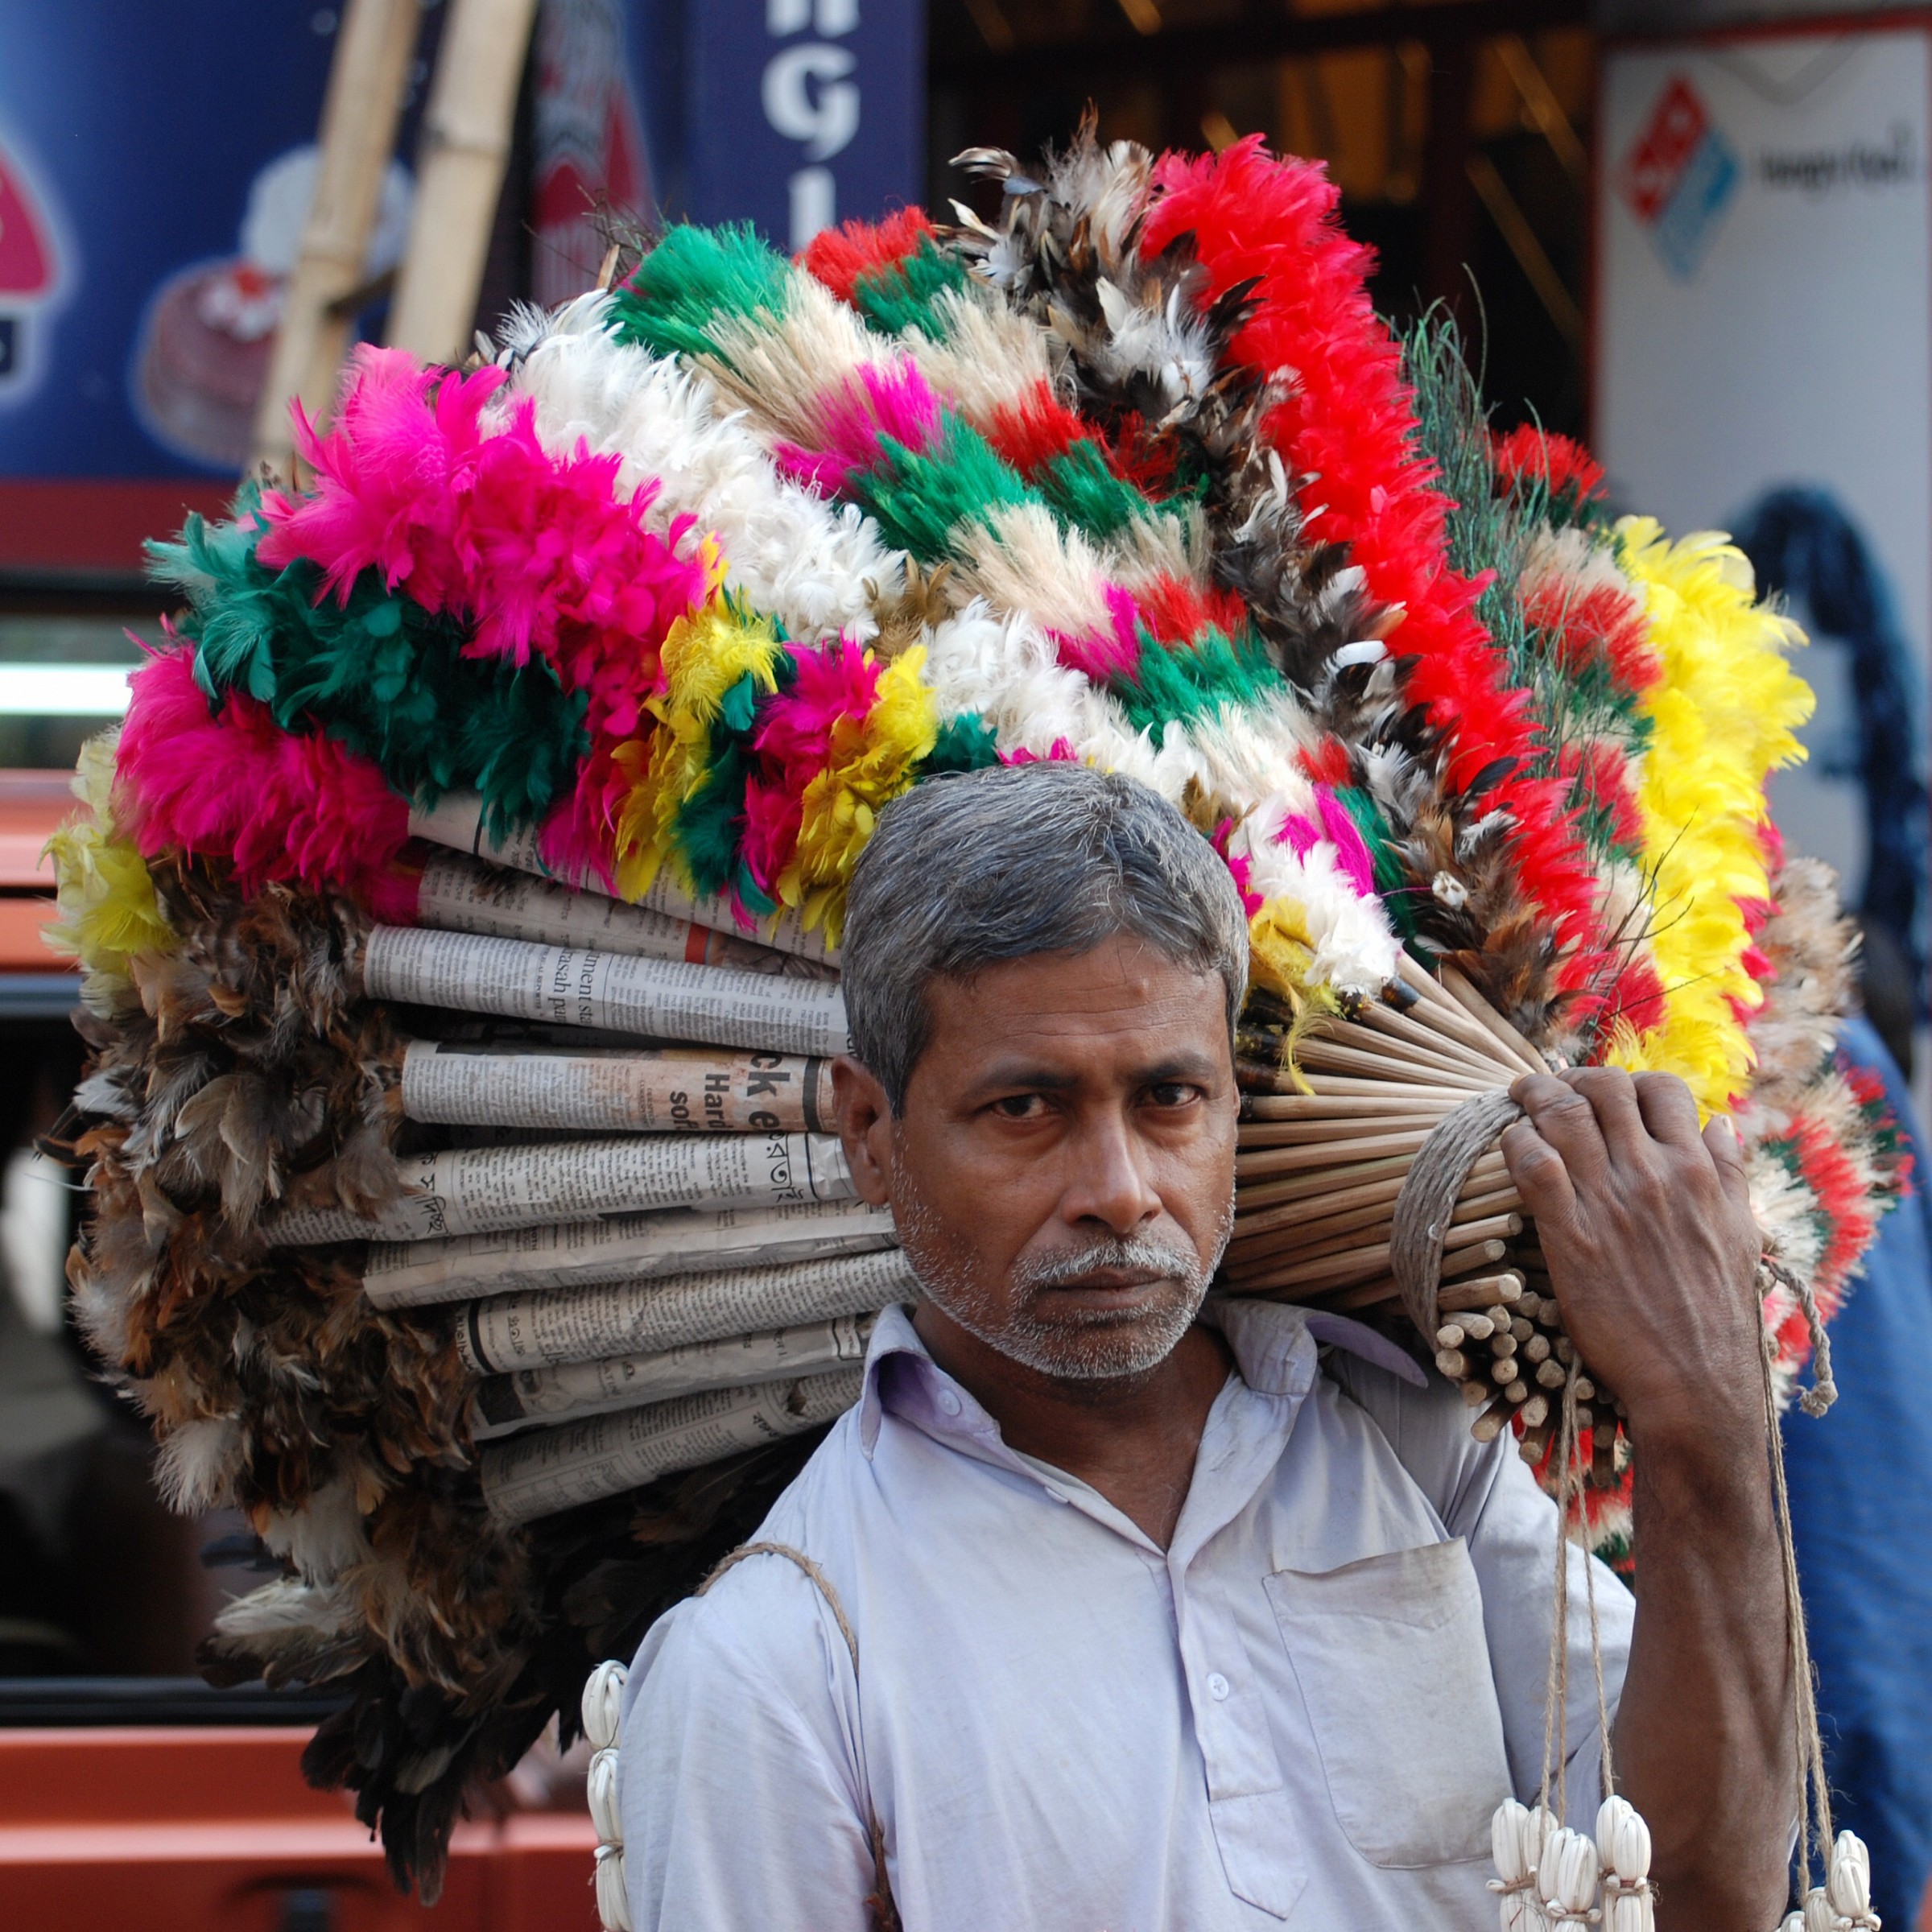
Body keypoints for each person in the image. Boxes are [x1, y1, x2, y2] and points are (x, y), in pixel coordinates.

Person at [616, 762, 1794, 1930]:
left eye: (1171, 1098)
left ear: (1237, 1097)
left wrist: (1706, 1417)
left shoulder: (1421, 1456)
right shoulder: (777, 1661)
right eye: (1025, 1109)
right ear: (870, 1134)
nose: (1120, 1192)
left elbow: (1706, 1892)